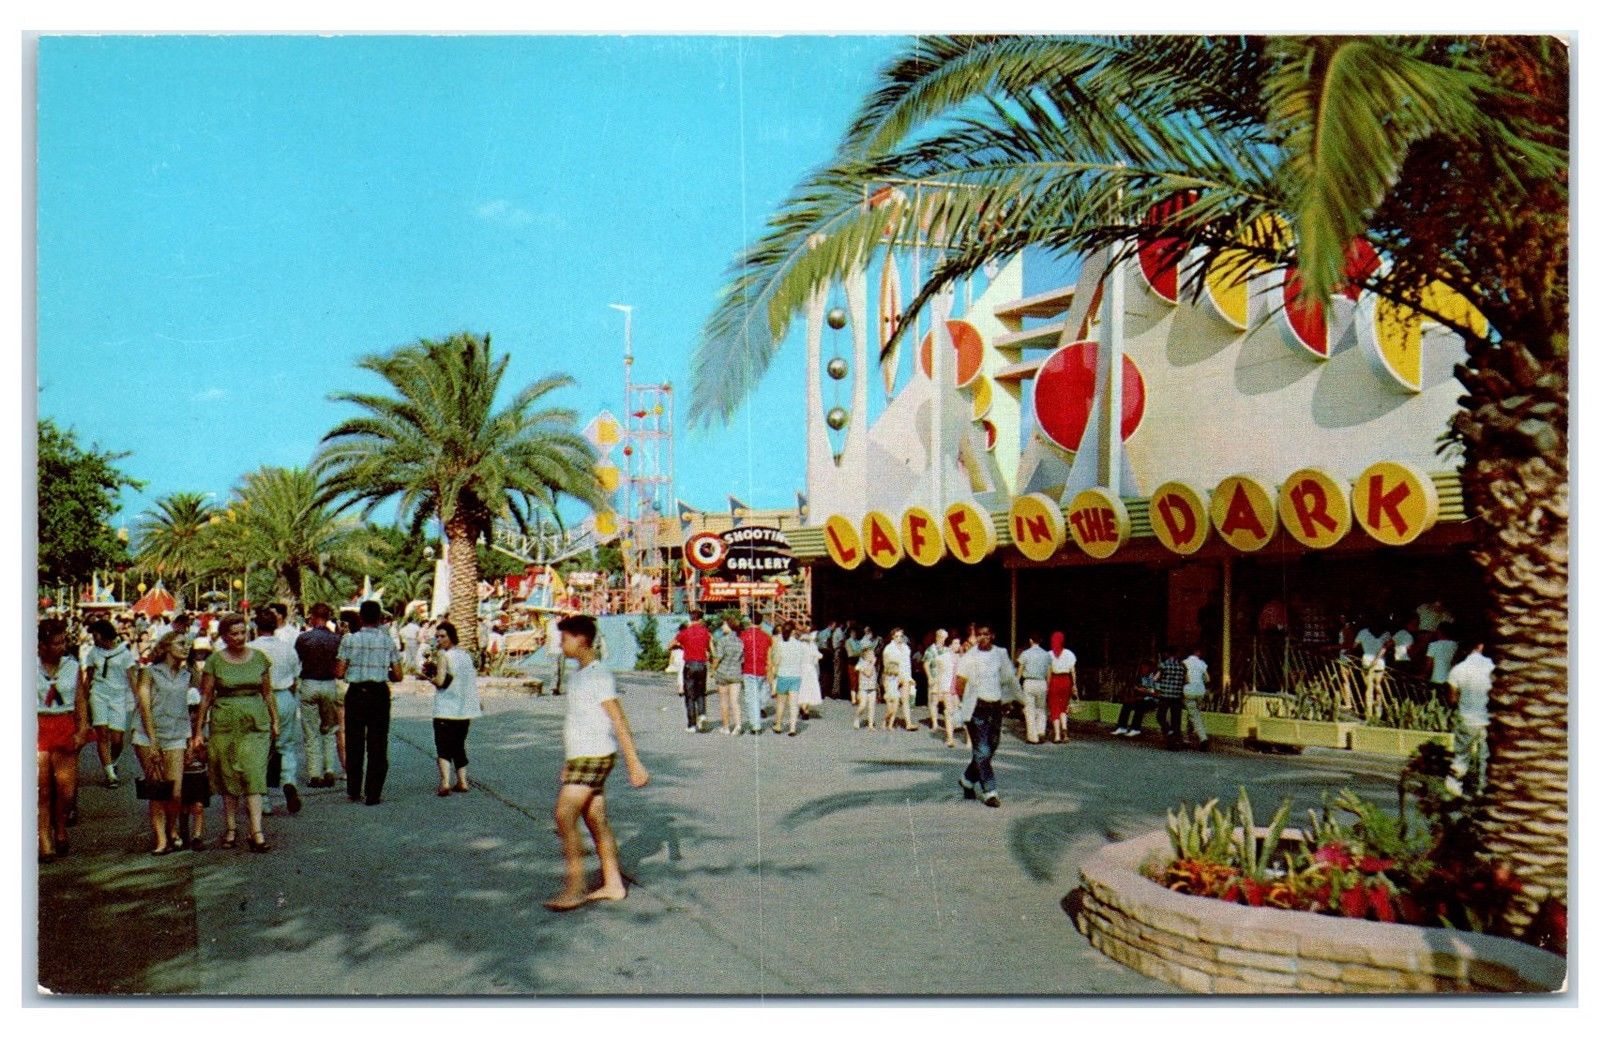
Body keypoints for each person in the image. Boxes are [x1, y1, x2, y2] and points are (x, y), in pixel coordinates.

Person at [543, 614, 649, 911]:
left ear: (581, 639)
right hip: (583, 756)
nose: (560, 644)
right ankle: (613, 884)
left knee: (564, 815)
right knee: (595, 819)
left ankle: (575, 887)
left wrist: (634, 763)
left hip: (595, 755)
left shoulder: (599, 675)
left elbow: (618, 718)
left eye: (564, 638)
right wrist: (569, 760)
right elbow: (578, 722)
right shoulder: (579, 675)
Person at [192, 614, 278, 852]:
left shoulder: (260, 658)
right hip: (225, 724)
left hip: (255, 723)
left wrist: (275, 720)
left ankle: (256, 831)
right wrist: (198, 729)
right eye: (234, 634)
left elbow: (268, 693)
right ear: (224, 636)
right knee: (228, 776)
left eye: (243, 633)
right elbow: (206, 697)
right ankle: (230, 827)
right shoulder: (215, 662)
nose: (239, 638)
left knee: (254, 775)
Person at [335, 601, 402, 806]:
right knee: (378, 743)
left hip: (356, 693)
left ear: (361, 618)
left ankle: (354, 789)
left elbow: (339, 671)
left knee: (354, 742)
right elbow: (398, 674)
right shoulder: (387, 641)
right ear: (380, 619)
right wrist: (383, 671)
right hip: (379, 693)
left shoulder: (349, 640)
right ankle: (373, 793)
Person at [133, 631, 195, 854]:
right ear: (166, 646)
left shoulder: (187, 674)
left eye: (188, 644)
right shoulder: (149, 672)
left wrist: (190, 740)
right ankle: (161, 839)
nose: (186, 647)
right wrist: (153, 742)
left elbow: (188, 709)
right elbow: (144, 708)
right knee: (157, 789)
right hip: (147, 735)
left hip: (176, 735)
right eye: (180, 643)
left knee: (175, 791)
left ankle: (172, 828)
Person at [37, 618, 90, 862]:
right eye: (55, 643)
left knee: (66, 790)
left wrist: (82, 729)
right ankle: (44, 839)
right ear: (42, 645)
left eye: (63, 642)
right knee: (42, 789)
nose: (61, 647)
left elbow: (80, 700)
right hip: (37, 725)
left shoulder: (72, 665)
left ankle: (60, 825)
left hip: (64, 723)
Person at [249, 608, 304, 815]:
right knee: (286, 745)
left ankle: (263, 800)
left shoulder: (250, 649)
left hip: (259, 700)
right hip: (284, 697)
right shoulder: (287, 649)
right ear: (276, 625)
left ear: (256, 626)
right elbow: (295, 677)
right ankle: (289, 781)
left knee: (259, 748)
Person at [953, 624, 1014, 807]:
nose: (982, 637)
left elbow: (1006, 679)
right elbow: (960, 682)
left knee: (992, 746)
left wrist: (1007, 700)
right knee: (982, 750)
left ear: (992, 635)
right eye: (978, 635)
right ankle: (990, 791)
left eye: (985, 634)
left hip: (994, 707)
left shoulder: (1000, 655)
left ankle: (967, 779)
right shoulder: (969, 658)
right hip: (976, 707)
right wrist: (968, 702)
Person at [425, 621, 481, 796]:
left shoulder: (444, 655)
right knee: (458, 745)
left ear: (451, 637)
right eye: (438, 636)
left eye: (443, 636)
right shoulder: (465, 655)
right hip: (464, 709)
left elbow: (441, 681)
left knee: (443, 746)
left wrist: (429, 678)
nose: (440, 640)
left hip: (446, 708)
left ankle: (445, 782)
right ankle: (462, 781)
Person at [83, 618, 137, 787]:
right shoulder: (93, 653)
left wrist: (139, 700)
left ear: (104, 634)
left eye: (95, 635)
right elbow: (89, 677)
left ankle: (112, 762)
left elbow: (132, 678)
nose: (93, 639)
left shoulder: (125, 653)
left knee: (117, 739)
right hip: (98, 694)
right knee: (103, 734)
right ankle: (110, 774)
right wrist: (83, 700)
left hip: (118, 697)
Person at [294, 603, 343, 789]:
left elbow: (296, 661)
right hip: (329, 684)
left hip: (309, 683)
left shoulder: (303, 639)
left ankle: (314, 773)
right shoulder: (336, 639)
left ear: (313, 617)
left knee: (311, 731)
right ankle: (329, 769)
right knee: (329, 730)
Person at [1446, 637, 1494, 797]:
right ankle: (1482, 789)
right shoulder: (1492, 667)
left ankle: (1454, 789)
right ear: (1480, 645)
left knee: (1461, 756)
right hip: (1487, 718)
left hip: (1467, 718)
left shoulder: (1457, 670)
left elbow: (1452, 699)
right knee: (1485, 757)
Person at [673, 610, 712, 733]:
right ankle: (702, 714)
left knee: (689, 695)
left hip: (689, 664)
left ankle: (691, 724)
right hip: (701, 664)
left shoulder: (685, 632)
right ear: (701, 619)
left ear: (690, 619)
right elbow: (709, 647)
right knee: (701, 692)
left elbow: (673, 643)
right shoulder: (706, 632)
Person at [738, 612, 776, 736]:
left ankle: (756, 725)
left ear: (750, 620)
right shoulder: (767, 636)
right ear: (761, 622)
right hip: (762, 669)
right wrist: (770, 672)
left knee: (751, 698)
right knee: (760, 695)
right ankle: (758, 717)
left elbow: (740, 654)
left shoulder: (743, 635)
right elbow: (770, 658)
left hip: (749, 669)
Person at [710, 613, 745, 734]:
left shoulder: (722, 641)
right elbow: (742, 660)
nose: (722, 627)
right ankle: (738, 725)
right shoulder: (740, 641)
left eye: (724, 625)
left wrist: (713, 669)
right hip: (736, 673)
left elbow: (717, 658)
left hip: (723, 673)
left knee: (724, 701)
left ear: (729, 626)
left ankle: (726, 727)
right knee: (735, 701)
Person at [925, 630, 960, 747]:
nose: (957, 646)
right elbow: (938, 673)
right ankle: (949, 738)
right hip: (946, 687)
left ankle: (962, 735)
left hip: (957, 687)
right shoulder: (939, 655)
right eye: (955, 643)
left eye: (958, 643)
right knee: (947, 711)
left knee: (957, 710)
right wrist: (935, 684)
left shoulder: (960, 658)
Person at [1015, 633, 1050, 744]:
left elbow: (1020, 670)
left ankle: (1032, 737)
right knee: (1041, 708)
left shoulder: (1025, 654)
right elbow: (1049, 672)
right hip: (1042, 683)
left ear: (1030, 640)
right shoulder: (1046, 654)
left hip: (1029, 682)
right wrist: (1047, 685)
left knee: (1029, 709)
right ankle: (1041, 731)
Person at [1045, 632, 1078, 744]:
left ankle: (1057, 735)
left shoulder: (1049, 654)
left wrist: (1047, 685)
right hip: (1066, 681)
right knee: (1063, 708)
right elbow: (1073, 671)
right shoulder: (1069, 654)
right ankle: (1065, 729)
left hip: (1054, 681)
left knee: (1055, 708)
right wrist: (1074, 685)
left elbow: (1049, 672)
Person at [1113, 661, 1160, 737]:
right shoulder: (1143, 678)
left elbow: (1158, 694)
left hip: (1154, 701)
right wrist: (1139, 692)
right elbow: (1143, 690)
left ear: (1150, 668)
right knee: (1127, 703)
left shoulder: (1155, 678)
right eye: (1142, 668)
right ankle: (1122, 727)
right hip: (1144, 699)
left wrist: (1144, 692)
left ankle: (1135, 729)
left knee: (1140, 705)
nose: (1142, 670)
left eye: (1145, 668)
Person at [1154, 647, 1188, 751]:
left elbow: (1155, 679)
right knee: (1176, 720)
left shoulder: (1163, 665)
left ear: (1167, 654)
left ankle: (1168, 731)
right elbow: (1186, 681)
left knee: (1160, 716)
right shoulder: (1182, 666)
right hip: (1177, 696)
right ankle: (1176, 741)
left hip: (1165, 696)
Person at [881, 628, 914, 731]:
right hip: (892, 677)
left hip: (905, 676)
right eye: (896, 636)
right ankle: (885, 720)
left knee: (905, 700)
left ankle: (908, 724)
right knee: (892, 704)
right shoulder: (888, 648)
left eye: (901, 636)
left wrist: (909, 677)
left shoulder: (906, 648)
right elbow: (886, 665)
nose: (899, 638)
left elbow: (908, 664)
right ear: (892, 637)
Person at [1181, 645, 1212, 751]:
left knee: (1194, 715)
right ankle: (1187, 738)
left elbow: (1185, 678)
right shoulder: (1202, 663)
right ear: (1197, 652)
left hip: (1188, 691)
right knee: (1193, 714)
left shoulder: (1184, 662)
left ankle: (1203, 738)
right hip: (1200, 692)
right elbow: (1207, 679)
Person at [1425, 621, 1461, 697]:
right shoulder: (1456, 646)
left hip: (1436, 680)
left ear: (1439, 631)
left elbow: (1428, 666)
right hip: (1451, 683)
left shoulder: (1433, 645)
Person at [796, 629, 824, 721]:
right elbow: (820, 656)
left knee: (803, 688)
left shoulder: (799, 646)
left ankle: (804, 708)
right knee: (809, 688)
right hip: (810, 669)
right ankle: (805, 709)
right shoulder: (812, 646)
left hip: (801, 669)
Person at [853, 643, 879, 730]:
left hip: (872, 688)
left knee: (872, 706)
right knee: (863, 705)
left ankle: (870, 725)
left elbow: (874, 677)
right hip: (863, 688)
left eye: (873, 654)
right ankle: (857, 717)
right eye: (871, 654)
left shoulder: (872, 665)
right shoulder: (861, 664)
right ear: (866, 655)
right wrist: (872, 663)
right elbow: (868, 673)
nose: (873, 656)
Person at [666, 630, 686, 696]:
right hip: (678, 656)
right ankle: (681, 687)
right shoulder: (675, 639)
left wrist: (681, 645)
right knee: (681, 671)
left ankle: (682, 687)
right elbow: (669, 647)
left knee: (682, 671)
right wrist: (675, 644)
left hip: (684, 655)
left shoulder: (687, 639)